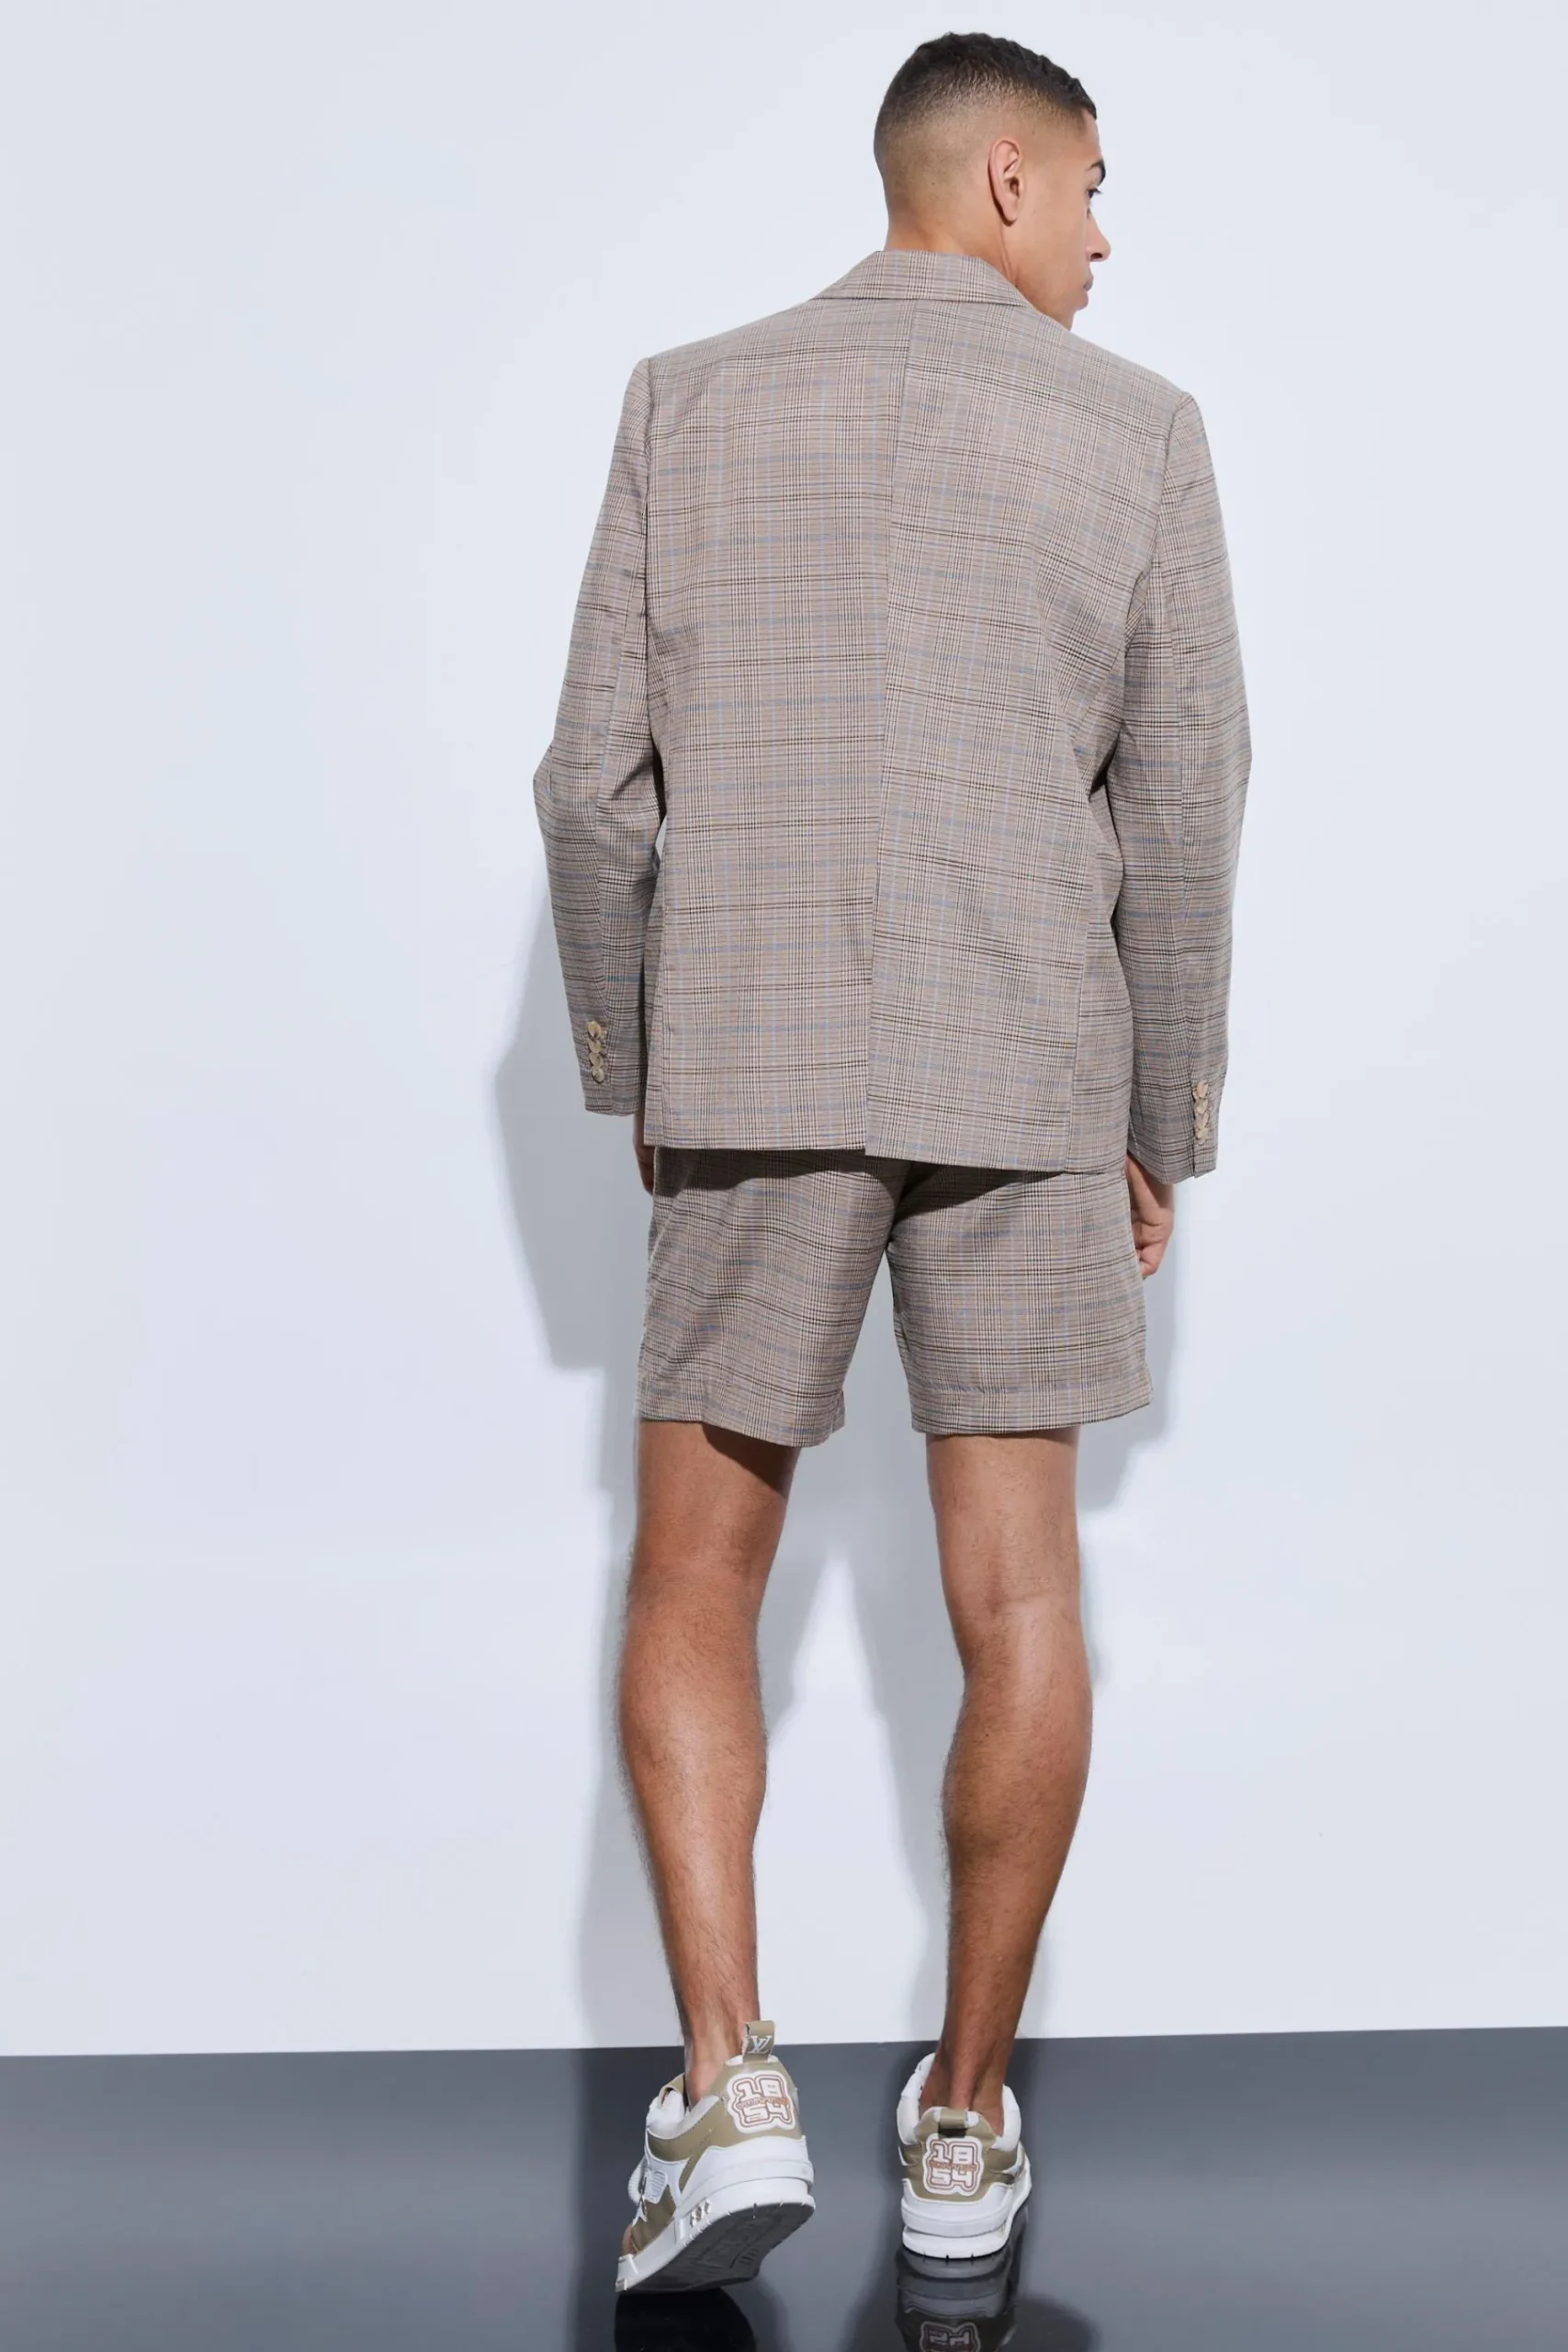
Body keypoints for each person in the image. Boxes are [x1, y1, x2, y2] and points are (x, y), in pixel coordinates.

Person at [534, 29, 1249, 2298]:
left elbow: (585, 787)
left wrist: (645, 1055)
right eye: (1098, 190)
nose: (1109, 240)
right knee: (1019, 1600)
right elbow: (1187, 803)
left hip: (750, 1057)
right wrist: (1161, 1116)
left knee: (690, 1578)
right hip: (1025, 1065)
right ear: (1008, 177)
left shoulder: (687, 400)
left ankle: (725, 2081)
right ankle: (960, 2119)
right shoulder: (1138, 435)